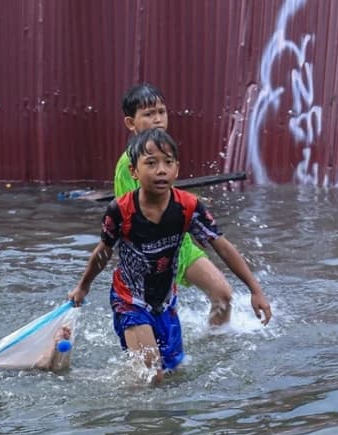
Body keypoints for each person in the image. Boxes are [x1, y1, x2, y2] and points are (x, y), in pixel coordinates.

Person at [68, 128, 270, 383]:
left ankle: (89, 377)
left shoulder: (189, 207)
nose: (160, 170)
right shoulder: (120, 211)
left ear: (177, 169)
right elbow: (103, 252)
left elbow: (221, 245)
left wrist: (255, 289)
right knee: (151, 375)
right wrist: (82, 287)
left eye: (168, 162)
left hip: (164, 302)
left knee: (175, 372)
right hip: (129, 299)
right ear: (134, 171)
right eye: (151, 163)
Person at [113, 83, 272, 327]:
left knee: (223, 296)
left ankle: (213, 345)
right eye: (148, 114)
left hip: (180, 245)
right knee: (157, 322)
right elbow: (143, 212)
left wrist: (188, 206)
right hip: (150, 255)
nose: (157, 119)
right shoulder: (129, 165)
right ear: (130, 123)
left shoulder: (165, 150)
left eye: (161, 112)